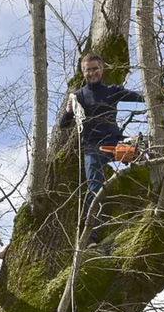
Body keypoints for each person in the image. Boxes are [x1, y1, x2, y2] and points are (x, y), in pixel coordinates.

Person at [58, 54, 145, 226]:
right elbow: (63, 125)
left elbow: (140, 96)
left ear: (102, 69)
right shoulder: (78, 96)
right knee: (95, 189)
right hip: (93, 148)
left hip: (115, 141)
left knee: (144, 155)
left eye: (94, 69)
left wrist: (161, 93)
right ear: (83, 72)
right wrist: (68, 111)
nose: (92, 73)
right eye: (87, 70)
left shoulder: (113, 91)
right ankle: (90, 234)